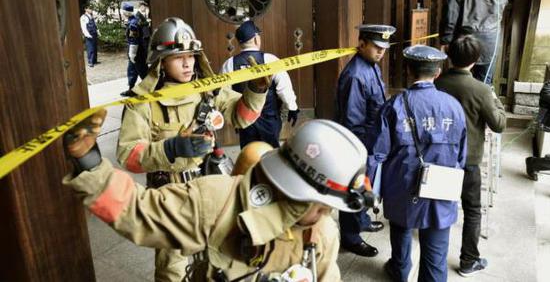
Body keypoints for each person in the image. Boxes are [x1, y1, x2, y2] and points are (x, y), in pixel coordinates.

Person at [63, 115, 379, 281]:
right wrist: (91, 163)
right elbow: (139, 212)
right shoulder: (216, 201)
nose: (326, 215)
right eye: (323, 206)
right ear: (296, 192)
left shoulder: (321, 234)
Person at [116, 17, 269, 282]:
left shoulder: (207, 90)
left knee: (218, 259)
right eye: (178, 57)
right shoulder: (142, 102)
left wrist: (256, 90)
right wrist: (171, 148)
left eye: (191, 55)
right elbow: (128, 156)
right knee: (171, 269)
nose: (188, 63)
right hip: (169, 195)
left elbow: (241, 116)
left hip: (210, 188)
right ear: (161, 61)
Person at [368, 45, 467, 282]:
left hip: (402, 186)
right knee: (436, 255)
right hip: (442, 187)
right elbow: (461, 155)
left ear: (409, 70)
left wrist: (372, 191)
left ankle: (400, 272)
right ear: (438, 72)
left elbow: (377, 154)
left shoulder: (394, 106)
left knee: (401, 232)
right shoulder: (453, 106)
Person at [435, 35, 506, 277]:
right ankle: (468, 260)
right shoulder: (482, 90)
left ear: (449, 56)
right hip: (469, 161)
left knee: (440, 205)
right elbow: (498, 124)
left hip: (439, 159)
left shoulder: (437, 83)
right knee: (472, 210)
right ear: (476, 60)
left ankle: (433, 256)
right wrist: (497, 103)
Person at [335, 24, 396, 257]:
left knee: (364, 186)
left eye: (384, 48)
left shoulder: (371, 66)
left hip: (370, 139)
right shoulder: (355, 75)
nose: (381, 52)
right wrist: (363, 150)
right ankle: (350, 237)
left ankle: (361, 220)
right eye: (377, 47)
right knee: (354, 187)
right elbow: (352, 120)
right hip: (358, 141)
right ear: (362, 44)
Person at [220, 21, 300, 148]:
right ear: (256, 39)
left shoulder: (229, 64)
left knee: (248, 154)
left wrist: (233, 117)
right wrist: (292, 107)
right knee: (270, 153)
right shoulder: (270, 60)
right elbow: (284, 88)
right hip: (269, 118)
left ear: (240, 43)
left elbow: (223, 93)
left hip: (245, 119)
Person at [121, 2, 148, 96]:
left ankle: (150, 88)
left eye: (122, 11)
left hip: (137, 52)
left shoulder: (133, 24)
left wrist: (132, 54)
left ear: (125, 12)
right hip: (136, 51)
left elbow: (134, 40)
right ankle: (131, 89)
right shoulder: (132, 20)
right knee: (131, 71)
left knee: (143, 71)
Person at [80, 3, 100, 67]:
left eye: (91, 8)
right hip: (89, 34)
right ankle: (90, 62)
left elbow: (95, 25)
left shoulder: (91, 16)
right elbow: (83, 27)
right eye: (89, 8)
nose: (91, 10)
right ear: (85, 9)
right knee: (90, 48)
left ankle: (94, 60)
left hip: (94, 33)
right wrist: (87, 34)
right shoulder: (83, 17)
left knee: (94, 48)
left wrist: (98, 31)